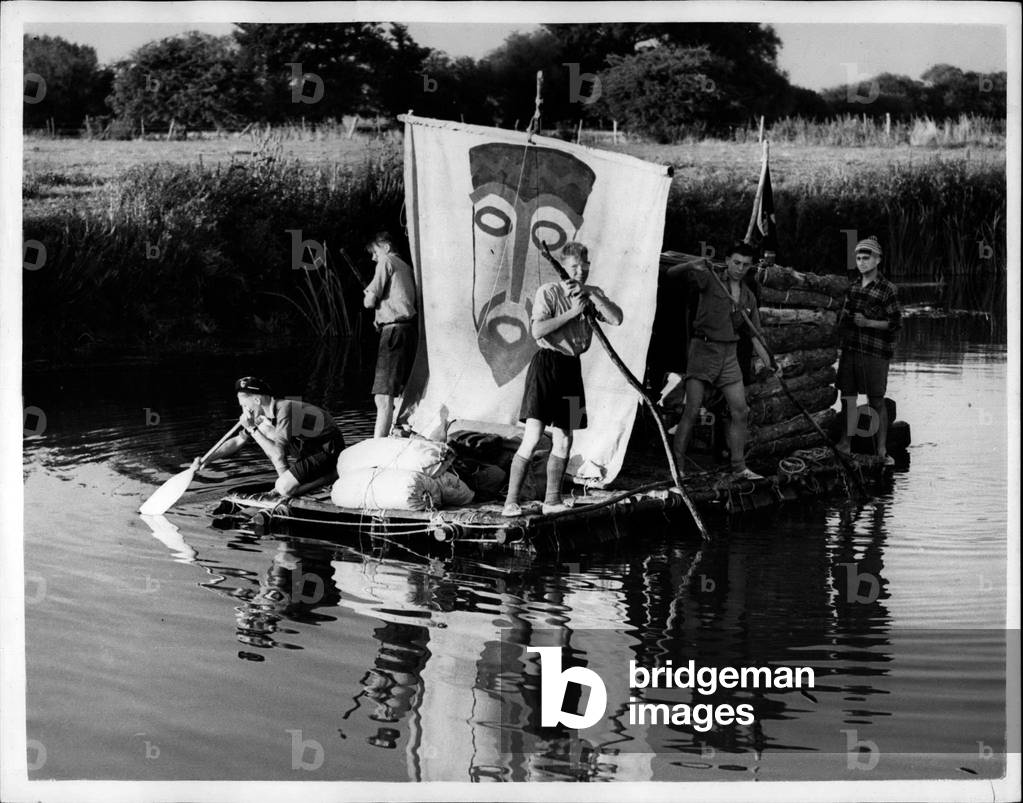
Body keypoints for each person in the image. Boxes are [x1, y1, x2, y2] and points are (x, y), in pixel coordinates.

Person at [502, 241, 623, 517]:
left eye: (584, 266)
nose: (579, 271)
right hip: (547, 366)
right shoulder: (550, 291)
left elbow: (616, 319)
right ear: (564, 268)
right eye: (573, 267)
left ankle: (552, 501)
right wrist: (573, 312)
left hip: (572, 369)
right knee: (533, 436)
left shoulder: (593, 293)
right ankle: (511, 501)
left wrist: (591, 295)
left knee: (566, 438)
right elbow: (537, 331)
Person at [667, 241, 780, 479]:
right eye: (736, 262)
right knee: (693, 409)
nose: (740, 268)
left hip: (729, 355)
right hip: (703, 349)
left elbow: (755, 335)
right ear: (727, 260)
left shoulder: (748, 297)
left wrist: (769, 362)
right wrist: (690, 264)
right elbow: (671, 273)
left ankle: (739, 467)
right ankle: (677, 468)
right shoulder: (710, 278)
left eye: (745, 264)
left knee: (740, 410)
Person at [198, 377, 346, 499]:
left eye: (244, 406)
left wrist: (252, 428)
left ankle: (330, 476)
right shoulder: (262, 415)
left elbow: (277, 454)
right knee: (263, 429)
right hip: (308, 448)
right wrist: (208, 459)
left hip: (328, 450)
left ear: (257, 401)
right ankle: (290, 483)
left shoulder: (284, 409)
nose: (244, 412)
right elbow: (237, 441)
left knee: (284, 488)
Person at [835, 236, 901, 465]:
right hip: (851, 350)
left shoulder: (887, 289)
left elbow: (895, 324)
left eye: (867, 258)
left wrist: (869, 323)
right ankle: (845, 443)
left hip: (876, 353)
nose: (862, 262)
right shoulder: (852, 288)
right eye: (859, 258)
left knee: (876, 400)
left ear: (878, 260)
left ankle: (881, 450)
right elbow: (843, 318)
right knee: (848, 398)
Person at [363, 231, 418, 439]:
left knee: (383, 397)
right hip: (407, 331)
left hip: (394, 332)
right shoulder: (405, 266)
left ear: (385, 247)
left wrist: (369, 296)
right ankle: (396, 434)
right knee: (398, 393)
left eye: (375, 252)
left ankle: (378, 445)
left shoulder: (386, 261)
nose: (373, 257)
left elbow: (369, 301)